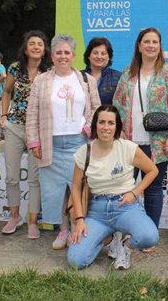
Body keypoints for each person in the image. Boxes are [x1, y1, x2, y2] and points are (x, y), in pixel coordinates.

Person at [26, 33, 101, 249]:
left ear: (74, 55)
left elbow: (96, 107)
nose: (62, 56)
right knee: (55, 191)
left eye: (66, 52)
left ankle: (79, 230)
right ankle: (63, 230)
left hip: (79, 143)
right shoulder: (41, 81)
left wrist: (87, 127)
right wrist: (34, 142)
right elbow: (32, 114)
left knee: (77, 189)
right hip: (52, 144)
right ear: (51, 54)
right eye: (58, 52)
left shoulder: (87, 80)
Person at [67, 105, 160, 270]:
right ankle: (108, 239)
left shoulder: (128, 147)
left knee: (149, 237)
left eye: (111, 123)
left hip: (125, 206)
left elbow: (153, 170)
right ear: (95, 125)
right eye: (101, 122)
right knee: (75, 261)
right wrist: (80, 220)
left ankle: (125, 245)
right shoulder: (84, 152)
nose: (106, 127)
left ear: (117, 126)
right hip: (97, 212)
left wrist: (134, 192)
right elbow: (75, 188)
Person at [113, 27, 168, 234]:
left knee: (153, 190)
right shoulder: (128, 71)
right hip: (130, 142)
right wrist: (119, 131)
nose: (151, 45)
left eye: (155, 42)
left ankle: (149, 234)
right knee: (125, 186)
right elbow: (117, 101)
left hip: (159, 143)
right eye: (147, 42)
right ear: (139, 46)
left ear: (160, 46)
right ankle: (124, 232)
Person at [0, 31, 51, 238]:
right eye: (32, 43)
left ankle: (32, 221)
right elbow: (6, 92)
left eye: (40, 43)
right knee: (12, 175)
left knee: (34, 179)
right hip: (14, 126)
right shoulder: (15, 67)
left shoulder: (50, 71)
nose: (36, 47)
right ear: (26, 47)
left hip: (38, 130)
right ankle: (14, 216)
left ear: (44, 48)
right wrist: (3, 114)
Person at [83, 37, 122, 106]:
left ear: (109, 57)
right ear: (88, 55)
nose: (99, 56)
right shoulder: (78, 76)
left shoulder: (119, 78)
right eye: (95, 53)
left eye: (103, 53)